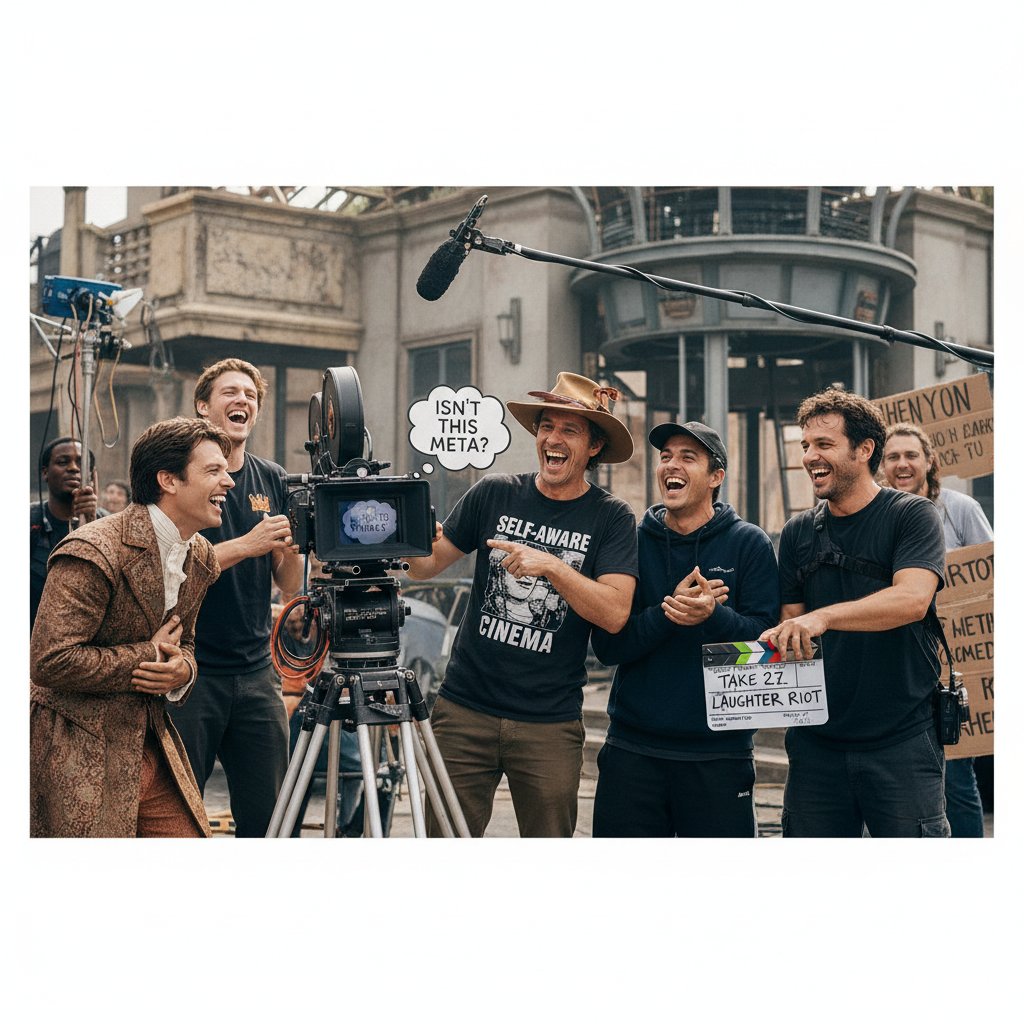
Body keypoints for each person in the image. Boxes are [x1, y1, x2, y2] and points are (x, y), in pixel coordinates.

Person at [405, 372, 639, 837]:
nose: (552, 438)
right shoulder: (495, 491)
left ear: (593, 446)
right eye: (547, 426)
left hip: (548, 723)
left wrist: (551, 566)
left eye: (569, 430)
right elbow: (422, 566)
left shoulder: (611, 517)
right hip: (464, 710)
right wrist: (390, 519)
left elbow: (614, 613)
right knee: (441, 844)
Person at [759, 386, 949, 838]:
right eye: (805, 445)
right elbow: (792, 626)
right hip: (816, 745)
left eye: (824, 444)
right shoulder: (797, 532)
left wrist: (823, 617)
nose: (809, 456)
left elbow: (912, 599)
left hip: (902, 739)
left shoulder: (913, 515)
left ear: (865, 450)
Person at [30, 416, 233, 837]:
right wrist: (148, 655)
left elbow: (185, 644)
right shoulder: (93, 549)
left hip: (149, 740)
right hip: (74, 745)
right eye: (213, 470)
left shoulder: (201, 557)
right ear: (168, 480)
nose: (228, 481)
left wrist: (182, 671)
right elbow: (50, 660)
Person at [590, 422, 780, 837]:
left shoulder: (750, 544)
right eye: (666, 456)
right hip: (632, 749)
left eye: (687, 457)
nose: (671, 465)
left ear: (716, 477)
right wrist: (667, 614)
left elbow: (769, 642)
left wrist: (713, 615)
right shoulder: (631, 542)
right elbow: (607, 645)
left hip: (720, 755)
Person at [169, 358, 303, 838]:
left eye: (249, 394)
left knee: (270, 819)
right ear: (203, 407)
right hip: (189, 671)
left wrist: (287, 553)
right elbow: (173, 566)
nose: (241, 400)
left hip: (255, 672)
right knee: (175, 816)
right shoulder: (179, 475)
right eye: (229, 392)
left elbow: (289, 585)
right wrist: (247, 543)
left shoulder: (273, 478)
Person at [882, 422, 993, 837]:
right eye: (893, 456)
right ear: (881, 465)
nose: (902, 464)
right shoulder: (879, 514)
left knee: (957, 781)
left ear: (929, 461)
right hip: (897, 667)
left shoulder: (959, 508)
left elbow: (990, 574)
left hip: (951, 667)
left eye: (911, 455)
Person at [30, 437, 104, 629]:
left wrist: (91, 522)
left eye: (81, 463)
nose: (73, 468)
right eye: (63, 462)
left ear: (91, 474)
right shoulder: (29, 520)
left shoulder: (108, 524)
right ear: (45, 473)